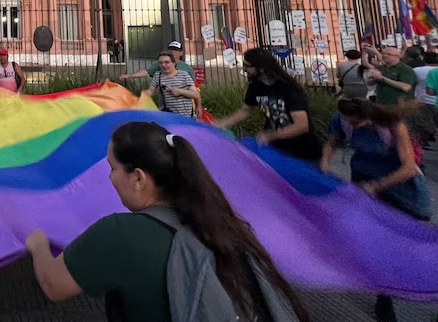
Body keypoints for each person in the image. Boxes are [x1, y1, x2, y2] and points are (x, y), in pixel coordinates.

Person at [24, 121, 308, 322]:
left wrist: (38, 245)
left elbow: (53, 284)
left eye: (112, 168)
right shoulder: (220, 224)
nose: (109, 178)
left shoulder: (120, 234)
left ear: (138, 177)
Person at [327, 98, 431, 322]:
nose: (351, 127)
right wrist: (324, 167)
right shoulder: (343, 121)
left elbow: (408, 169)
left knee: (401, 245)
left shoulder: (394, 126)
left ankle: (413, 282)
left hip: (399, 188)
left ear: (369, 118)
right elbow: (332, 144)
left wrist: (376, 186)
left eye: (356, 124)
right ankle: (384, 300)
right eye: (348, 123)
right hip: (364, 183)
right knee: (379, 243)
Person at [216, 47, 322, 164]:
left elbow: (302, 125)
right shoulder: (256, 86)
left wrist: (271, 135)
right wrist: (224, 123)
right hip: (276, 148)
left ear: (261, 67)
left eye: (247, 66)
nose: (244, 69)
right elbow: (245, 110)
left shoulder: (287, 87)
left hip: (301, 150)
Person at [147, 51, 199, 118]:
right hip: (168, 117)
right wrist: (145, 94)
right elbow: (151, 90)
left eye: (167, 62)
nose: (163, 65)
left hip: (186, 117)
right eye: (160, 63)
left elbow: (196, 94)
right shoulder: (157, 75)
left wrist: (179, 91)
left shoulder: (184, 75)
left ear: (174, 63)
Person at [120, 41, 195, 80]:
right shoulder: (159, 65)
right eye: (170, 50)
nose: (172, 52)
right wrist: (129, 76)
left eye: (175, 50)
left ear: (181, 53)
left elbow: (194, 86)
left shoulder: (187, 69)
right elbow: (146, 72)